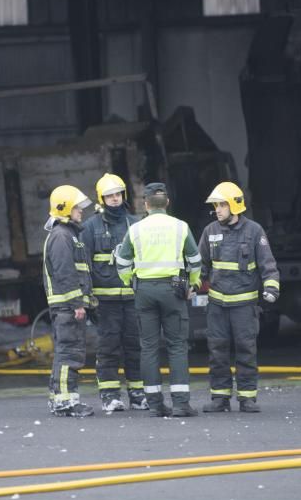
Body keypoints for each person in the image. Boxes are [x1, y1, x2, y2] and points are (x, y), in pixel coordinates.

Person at [115, 183, 202, 418]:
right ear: (167, 203)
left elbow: (122, 263)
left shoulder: (135, 230)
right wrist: (192, 284)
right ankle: (181, 404)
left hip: (144, 291)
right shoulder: (180, 227)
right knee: (176, 346)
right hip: (174, 290)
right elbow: (195, 259)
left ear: (145, 204)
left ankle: (154, 403)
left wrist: (129, 282)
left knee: (149, 347)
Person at [198, 182, 281, 413]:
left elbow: (268, 265)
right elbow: (200, 267)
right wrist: (187, 286)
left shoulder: (254, 231)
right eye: (216, 205)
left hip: (244, 305)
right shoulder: (210, 231)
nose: (218, 210)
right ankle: (220, 399)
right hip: (217, 305)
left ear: (235, 205)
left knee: (246, 350)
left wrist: (272, 288)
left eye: (222, 204)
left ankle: (247, 398)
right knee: (217, 351)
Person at [79, 173, 146, 412]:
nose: (115, 199)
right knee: (108, 348)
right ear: (101, 199)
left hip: (132, 299)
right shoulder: (89, 228)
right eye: (109, 195)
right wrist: (88, 300)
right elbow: (83, 266)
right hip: (105, 302)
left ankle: (138, 395)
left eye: (118, 194)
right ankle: (110, 396)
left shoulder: (136, 224)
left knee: (134, 347)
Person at [42, 185, 96, 418]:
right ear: (64, 209)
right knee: (70, 354)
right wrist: (77, 303)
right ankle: (65, 401)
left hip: (66, 305)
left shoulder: (65, 234)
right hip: (67, 306)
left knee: (66, 352)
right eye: (76, 207)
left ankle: (59, 398)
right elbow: (65, 273)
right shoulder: (62, 236)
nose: (80, 211)